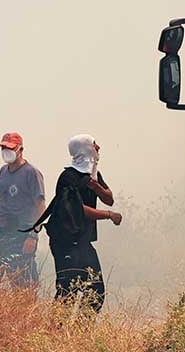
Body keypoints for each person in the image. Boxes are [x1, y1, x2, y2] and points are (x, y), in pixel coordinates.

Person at [34, 134, 121, 312]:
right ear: (86, 149)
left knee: (96, 291)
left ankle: (80, 331)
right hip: (65, 243)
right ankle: (55, 333)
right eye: (94, 145)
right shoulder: (68, 178)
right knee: (67, 292)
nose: (98, 149)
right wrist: (109, 215)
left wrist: (96, 186)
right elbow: (78, 210)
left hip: (83, 243)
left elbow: (109, 198)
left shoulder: (94, 176)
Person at [0, 132, 46, 285]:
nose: (6, 152)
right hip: (1, 231)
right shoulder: (3, 171)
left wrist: (33, 236)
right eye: (3, 148)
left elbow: (40, 206)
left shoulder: (32, 173)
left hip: (21, 234)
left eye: (10, 148)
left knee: (22, 282)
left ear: (20, 150)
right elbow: (0, 202)